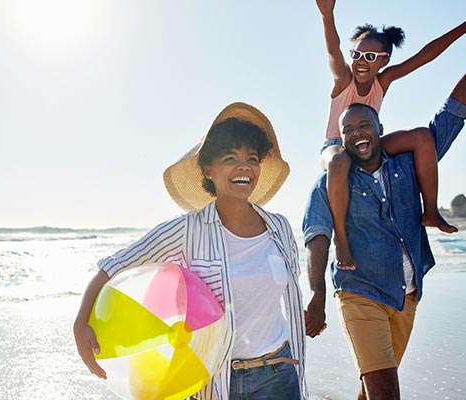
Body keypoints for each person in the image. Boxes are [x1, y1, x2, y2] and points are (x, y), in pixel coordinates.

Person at [74, 102, 308, 399]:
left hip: (279, 372)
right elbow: (117, 264)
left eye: (252, 158)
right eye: (230, 158)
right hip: (220, 381)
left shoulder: (279, 227)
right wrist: (81, 323)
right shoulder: (188, 229)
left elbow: (281, 289)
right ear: (208, 170)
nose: (244, 167)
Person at [303, 74, 466, 399]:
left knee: (373, 387)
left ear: (380, 129)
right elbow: (316, 236)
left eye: (363, 125)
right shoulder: (330, 183)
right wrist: (318, 294)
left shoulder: (408, 165)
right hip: (359, 293)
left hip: (406, 296)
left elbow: (452, 116)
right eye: (347, 130)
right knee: (385, 391)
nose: (356, 133)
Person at [316, 0, 465, 268]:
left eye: (370, 57)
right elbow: (333, 52)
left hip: (369, 144)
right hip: (337, 146)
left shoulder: (382, 81)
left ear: (384, 61)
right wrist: (328, 16)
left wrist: (464, 27)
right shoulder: (344, 79)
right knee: (339, 160)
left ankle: (430, 211)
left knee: (422, 136)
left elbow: (425, 56)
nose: (361, 62)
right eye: (357, 54)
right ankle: (341, 240)